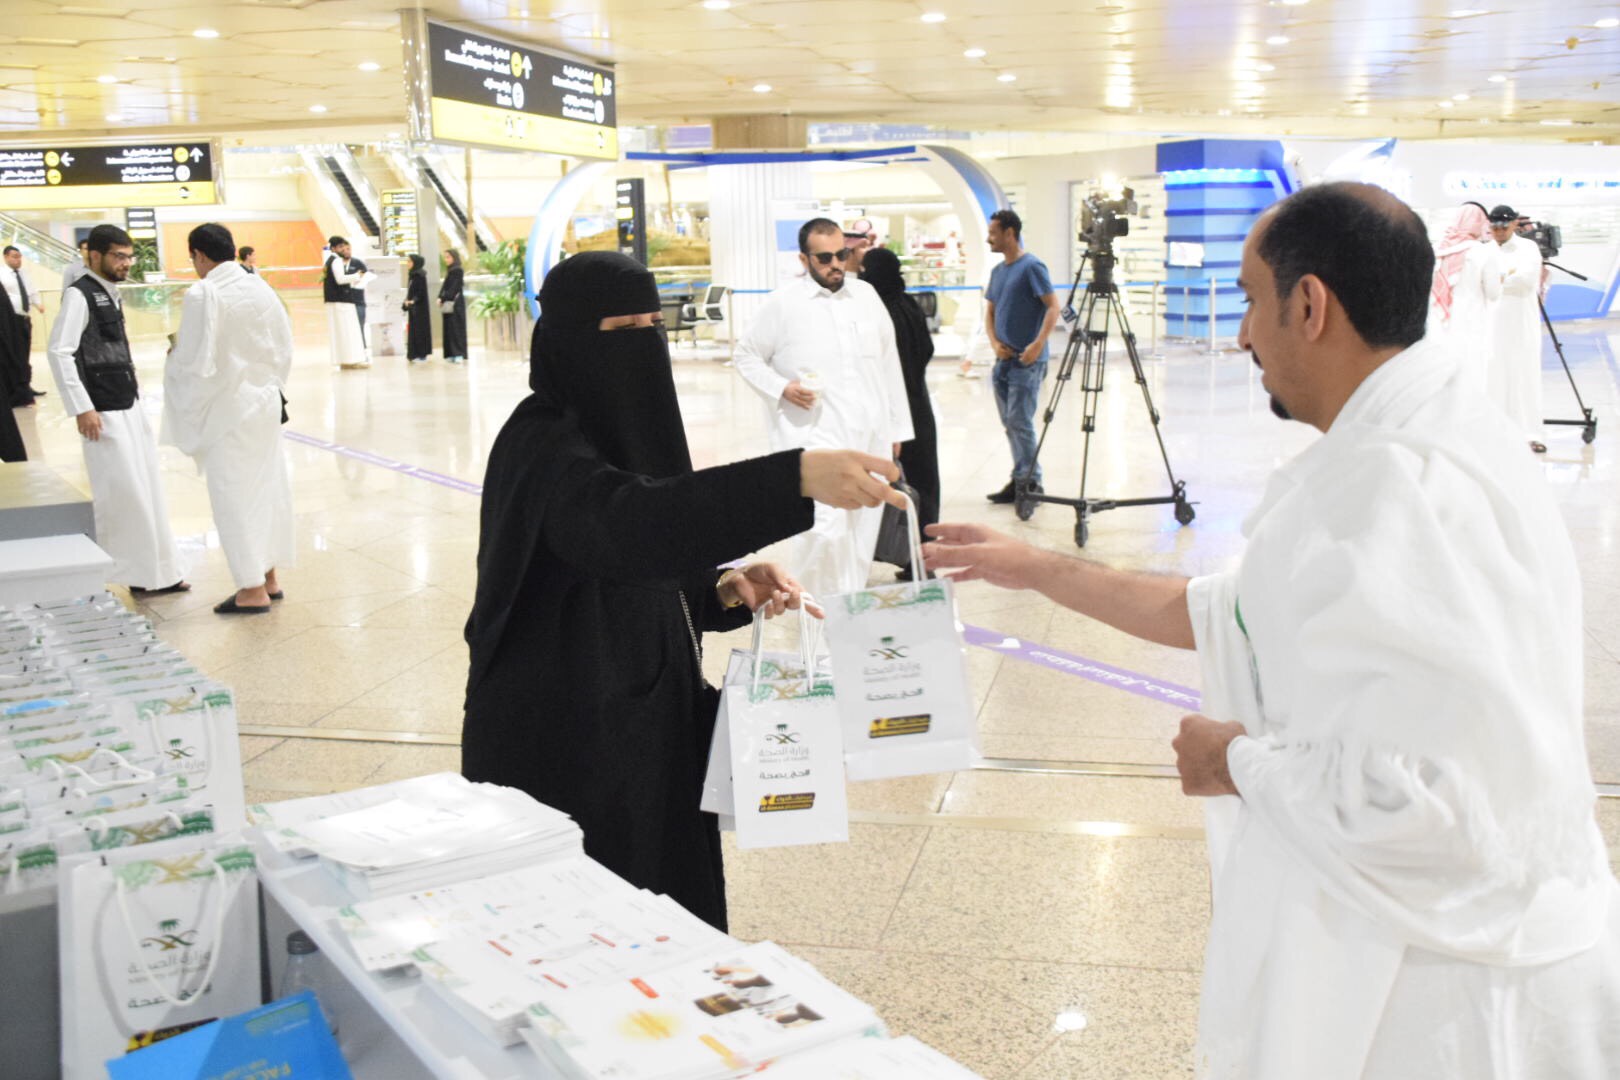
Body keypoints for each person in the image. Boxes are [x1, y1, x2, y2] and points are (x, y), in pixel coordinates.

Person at [924, 182, 1620, 1079]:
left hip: (1453, 999)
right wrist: (1031, 567)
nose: (1244, 336)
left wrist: (1235, 762)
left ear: (1310, 304)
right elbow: (1237, 609)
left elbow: (1430, 809)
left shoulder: (1403, 489)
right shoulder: (1429, 435)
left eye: (1253, 301)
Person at [462, 251, 906, 931]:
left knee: (660, 905)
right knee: (584, 924)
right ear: (568, 339)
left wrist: (723, 588)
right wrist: (791, 478)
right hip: (562, 736)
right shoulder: (543, 446)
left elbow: (648, 552)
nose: (642, 346)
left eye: (652, 326)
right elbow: (626, 526)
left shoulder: (621, 440)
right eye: (622, 330)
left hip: (642, 723)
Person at [732, 218, 913, 596]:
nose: (836, 264)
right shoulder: (783, 303)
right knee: (822, 533)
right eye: (825, 257)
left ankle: (847, 611)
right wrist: (781, 388)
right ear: (804, 259)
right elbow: (746, 355)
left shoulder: (866, 296)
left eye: (841, 255)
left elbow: (888, 364)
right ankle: (816, 617)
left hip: (870, 437)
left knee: (862, 531)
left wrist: (897, 430)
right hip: (815, 441)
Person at [46, 224, 188, 594]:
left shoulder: (110, 293)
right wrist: (82, 407)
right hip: (103, 410)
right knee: (125, 497)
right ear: (94, 255)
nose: (126, 263)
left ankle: (160, 573)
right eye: (118, 256)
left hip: (128, 402)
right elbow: (60, 351)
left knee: (147, 490)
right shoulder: (80, 294)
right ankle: (139, 575)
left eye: (128, 257)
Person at [162, 222, 295, 616]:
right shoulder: (259, 285)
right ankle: (269, 578)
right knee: (266, 488)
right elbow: (284, 346)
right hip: (265, 403)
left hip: (228, 410)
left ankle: (251, 590)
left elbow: (194, 361)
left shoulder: (204, 292)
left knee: (232, 496)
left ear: (200, 255)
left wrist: (173, 357)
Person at [860, 247, 940, 551]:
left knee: (896, 481)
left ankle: (905, 551)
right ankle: (925, 550)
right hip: (920, 403)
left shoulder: (880, 313)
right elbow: (927, 349)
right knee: (924, 479)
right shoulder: (909, 304)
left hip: (895, 408)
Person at [983, 208, 1059, 504]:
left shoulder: (1032, 267)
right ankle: (1020, 479)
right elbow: (990, 311)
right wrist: (994, 343)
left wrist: (1038, 344)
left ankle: (1031, 482)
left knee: (1020, 422)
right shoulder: (998, 272)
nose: (989, 239)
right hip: (1003, 360)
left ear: (1009, 233)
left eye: (993, 233)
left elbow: (1052, 306)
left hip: (1027, 362)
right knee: (1011, 423)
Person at [1485, 203, 1546, 453]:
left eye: (1504, 225)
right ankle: (1496, 433)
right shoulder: (1484, 250)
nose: (1499, 230)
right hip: (1491, 325)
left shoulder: (1528, 248)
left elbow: (1525, 281)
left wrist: (1496, 280)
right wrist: (1502, 278)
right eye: (1495, 225)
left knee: (1524, 375)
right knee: (1493, 377)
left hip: (1521, 324)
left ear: (1513, 224)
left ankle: (1531, 434)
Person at [1427, 202, 1500, 396]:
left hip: (1440, 324)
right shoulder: (1482, 251)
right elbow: (1494, 292)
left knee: (1444, 378)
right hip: (1471, 323)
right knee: (1471, 375)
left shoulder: (1437, 249)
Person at [2, 245, 46, 406]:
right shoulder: (2, 274)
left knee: (25, 353)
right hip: (10, 321)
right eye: (14, 256)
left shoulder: (24, 274)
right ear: (6, 257)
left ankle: (26, 385)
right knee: (16, 354)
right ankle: (16, 388)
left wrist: (38, 304)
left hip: (24, 318)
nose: (18, 260)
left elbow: (31, 291)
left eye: (19, 256)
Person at [322, 236, 368, 369]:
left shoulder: (329, 261)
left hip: (334, 301)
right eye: (340, 247)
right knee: (349, 331)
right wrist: (357, 276)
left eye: (344, 246)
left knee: (341, 332)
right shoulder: (336, 260)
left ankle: (345, 360)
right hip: (342, 301)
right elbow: (340, 279)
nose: (343, 249)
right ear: (333, 248)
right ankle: (352, 360)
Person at [402, 254, 432, 363]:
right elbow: (411, 291)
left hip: (420, 308)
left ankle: (422, 354)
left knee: (420, 331)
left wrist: (413, 300)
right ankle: (414, 354)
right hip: (413, 308)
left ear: (416, 262)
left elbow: (421, 292)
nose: (408, 263)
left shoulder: (420, 275)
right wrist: (407, 301)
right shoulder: (412, 274)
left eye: (410, 261)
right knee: (414, 331)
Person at [439, 249, 466, 363]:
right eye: (445, 257)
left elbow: (454, 287)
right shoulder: (451, 270)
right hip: (449, 303)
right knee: (449, 329)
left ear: (454, 258)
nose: (446, 260)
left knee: (456, 329)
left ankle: (458, 353)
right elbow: (445, 286)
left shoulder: (457, 270)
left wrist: (443, 298)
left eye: (448, 257)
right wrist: (440, 297)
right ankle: (451, 353)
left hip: (456, 304)